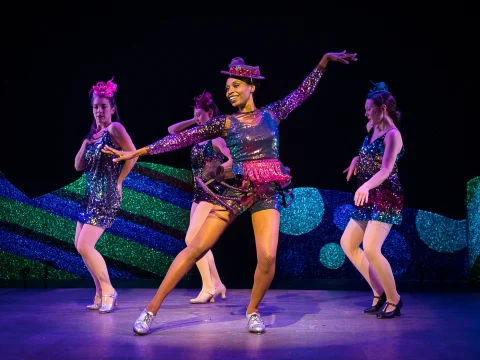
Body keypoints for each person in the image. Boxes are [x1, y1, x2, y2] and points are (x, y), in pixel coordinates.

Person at [102, 50, 357, 334]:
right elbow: (182, 137)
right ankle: (150, 310)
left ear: (251, 86)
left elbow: (302, 92)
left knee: (268, 257)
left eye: (235, 85)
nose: (230, 91)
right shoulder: (225, 123)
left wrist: (322, 62)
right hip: (235, 191)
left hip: (266, 190)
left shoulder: (273, 113)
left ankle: (253, 310)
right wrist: (140, 151)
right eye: (227, 88)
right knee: (196, 248)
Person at [340, 81, 404, 319]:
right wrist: (357, 159)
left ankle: (394, 299)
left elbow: (386, 168)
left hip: (386, 195)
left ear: (383, 109)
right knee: (348, 243)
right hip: (368, 194)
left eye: (369, 109)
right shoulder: (372, 128)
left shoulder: (393, 135)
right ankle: (378, 292)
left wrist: (366, 185)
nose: (366, 113)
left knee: (372, 248)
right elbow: (370, 152)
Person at [74, 78, 136, 313]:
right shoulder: (95, 135)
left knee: (86, 245)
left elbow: (133, 154)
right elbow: (78, 166)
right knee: (79, 246)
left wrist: (120, 181)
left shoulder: (114, 129)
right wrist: (85, 143)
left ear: (111, 109)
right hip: (89, 196)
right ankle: (99, 292)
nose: (99, 111)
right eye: (95, 107)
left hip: (106, 195)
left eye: (103, 106)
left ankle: (109, 290)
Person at [167, 90, 231, 304]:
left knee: (192, 240)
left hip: (212, 194)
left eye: (200, 114)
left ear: (210, 113)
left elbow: (232, 160)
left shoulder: (216, 139)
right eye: (195, 114)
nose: (197, 119)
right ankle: (218, 283)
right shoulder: (197, 138)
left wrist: (220, 169)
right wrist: (194, 120)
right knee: (200, 241)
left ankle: (208, 287)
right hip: (198, 193)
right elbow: (171, 130)